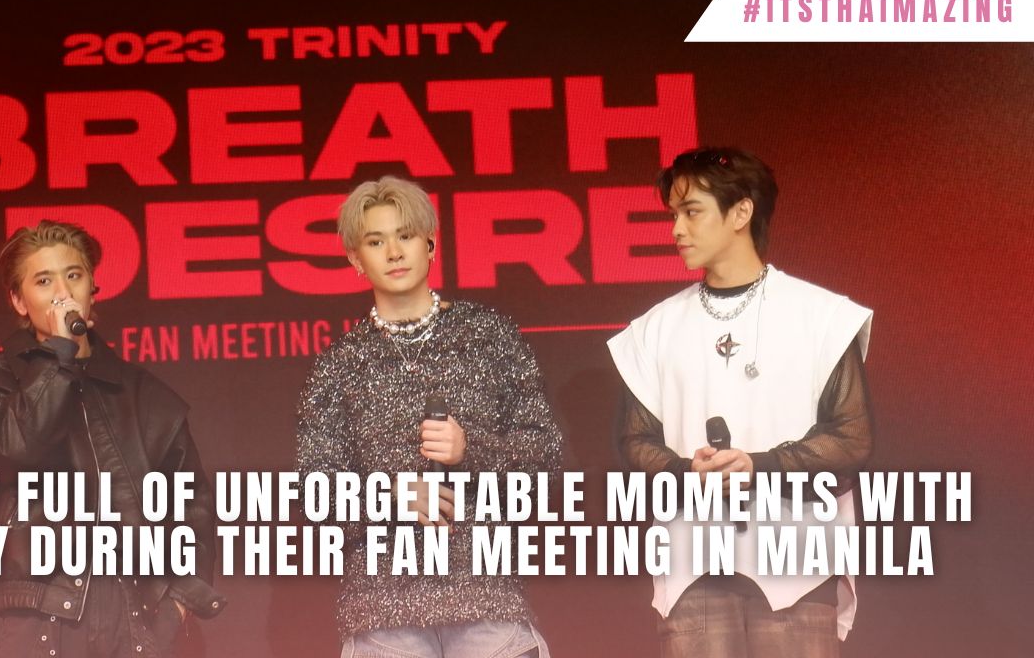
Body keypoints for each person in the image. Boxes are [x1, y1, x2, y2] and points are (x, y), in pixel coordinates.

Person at [607, 148, 874, 657]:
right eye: (673, 215)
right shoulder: (654, 328)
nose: (676, 230)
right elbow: (634, 441)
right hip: (693, 564)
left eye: (692, 212)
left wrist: (759, 466)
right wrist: (689, 473)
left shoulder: (819, 315)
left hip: (796, 561)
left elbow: (852, 438)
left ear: (741, 212)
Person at [296, 176, 564, 658]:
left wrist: (471, 449)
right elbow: (316, 495)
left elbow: (546, 458)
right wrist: (390, 496)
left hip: (485, 599)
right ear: (356, 259)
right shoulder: (340, 365)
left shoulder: (488, 336)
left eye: (405, 236)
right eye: (375, 242)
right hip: (383, 614)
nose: (394, 252)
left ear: (431, 246)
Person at [0, 220, 225, 658]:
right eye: (44, 281)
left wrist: (178, 604)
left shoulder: (145, 394)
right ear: (19, 300)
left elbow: (192, 504)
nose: (62, 293)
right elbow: (21, 444)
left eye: (73, 275)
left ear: (92, 288)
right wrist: (60, 355)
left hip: (136, 613)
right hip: (41, 614)